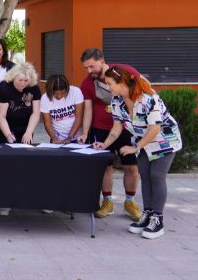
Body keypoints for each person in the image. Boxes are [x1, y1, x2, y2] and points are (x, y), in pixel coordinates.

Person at [93, 65, 182, 239]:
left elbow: (155, 129)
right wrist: (105, 144)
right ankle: (147, 214)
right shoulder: (116, 101)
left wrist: (136, 147)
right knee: (145, 176)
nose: (108, 87)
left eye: (110, 84)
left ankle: (158, 219)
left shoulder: (149, 99)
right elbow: (117, 127)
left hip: (165, 141)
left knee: (156, 176)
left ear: (122, 82)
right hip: (144, 142)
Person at [79, 48, 141, 221]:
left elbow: (145, 88)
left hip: (127, 128)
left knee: (131, 166)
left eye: (91, 66)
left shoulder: (123, 71)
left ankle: (130, 202)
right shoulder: (87, 83)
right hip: (100, 128)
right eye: (86, 68)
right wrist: (85, 133)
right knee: (105, 166)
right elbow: (88, 110)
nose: (88, 71)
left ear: (102, 61)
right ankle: (107, 202)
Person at [0, 62, 41, 216]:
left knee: (25, 166)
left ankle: (23, 199)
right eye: (20, 80)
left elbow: (35, 113)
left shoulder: (34, 88)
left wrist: (28, 133)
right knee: (5, 168)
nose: (23, 84)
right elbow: (0, 115)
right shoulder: (4, 87)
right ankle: (4, 202)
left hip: (25, 130)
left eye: (26, 81)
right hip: (5, 129)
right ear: (13, 77)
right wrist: (8, 135)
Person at [40, 74, 84, 143]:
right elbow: (47, 123)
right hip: (57, 138)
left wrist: (69, 137)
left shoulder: (76, 92)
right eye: (55, 94)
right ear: (50, 91)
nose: (59, 96)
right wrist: (54, 137)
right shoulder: (45, 98)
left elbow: (79, 118)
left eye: (63, 93)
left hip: (77, 137)